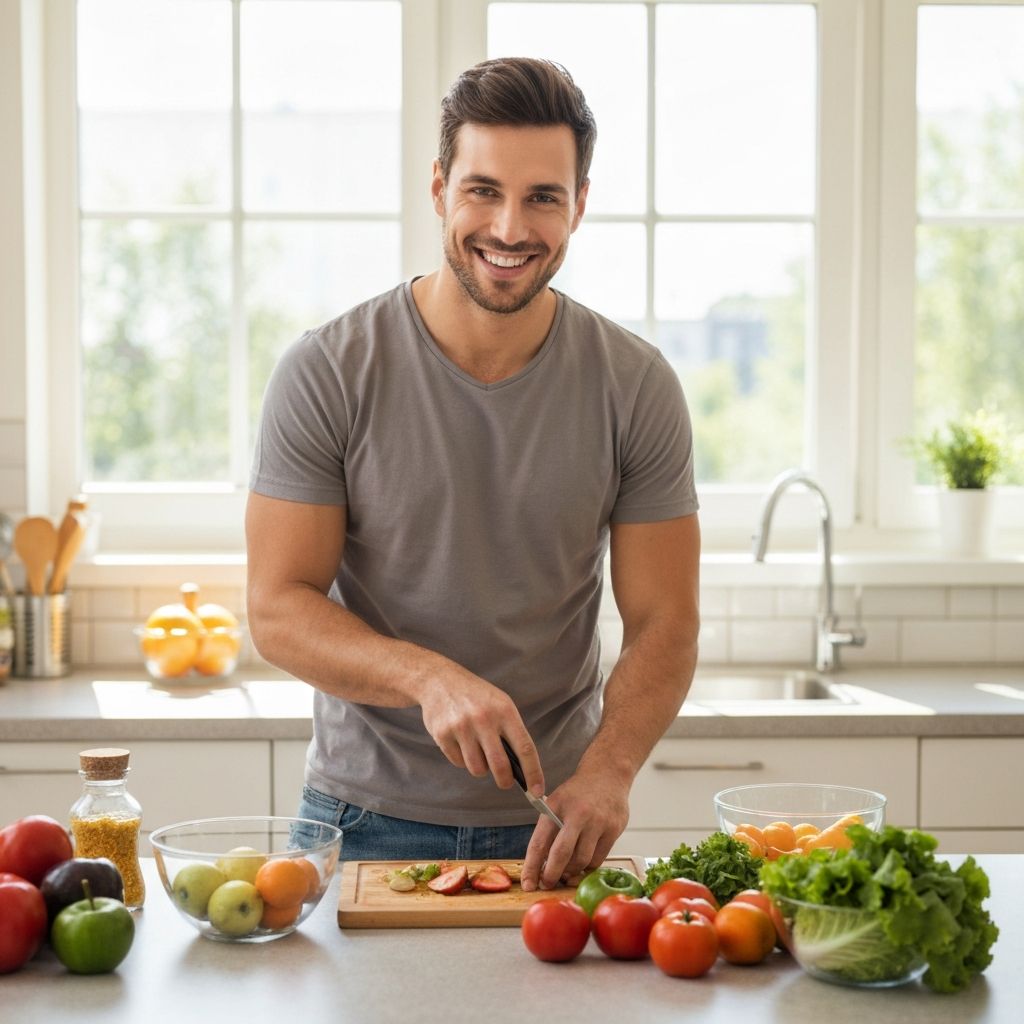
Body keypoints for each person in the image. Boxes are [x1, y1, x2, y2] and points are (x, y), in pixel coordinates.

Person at [245, 57, 700, 892]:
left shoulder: (636, 385)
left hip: (554, 828)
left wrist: (610, 772)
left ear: (581, 204)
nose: (509, 227)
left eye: (543, 197)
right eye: (483, 190)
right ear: (439, 189)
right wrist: (427, 677)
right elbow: (277, 610)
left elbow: (666, 623)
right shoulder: (327, 370)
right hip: (360, 825)